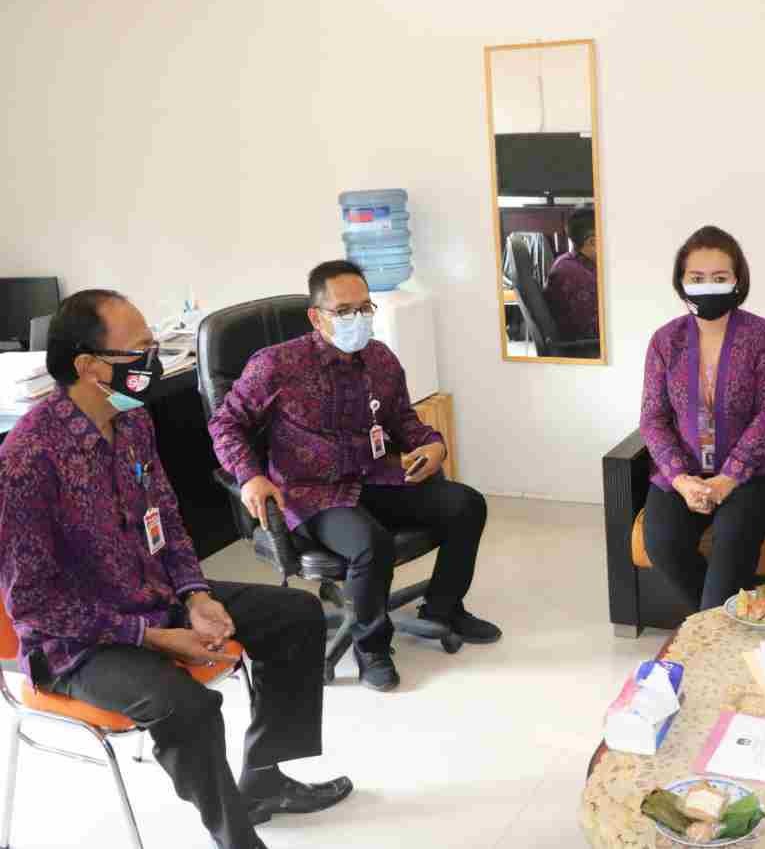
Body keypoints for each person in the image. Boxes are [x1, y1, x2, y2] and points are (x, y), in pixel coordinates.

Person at [0, 290, 352, 849]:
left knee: (296, 615)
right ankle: (236, 838)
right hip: (78, 643)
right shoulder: (27, 459)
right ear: (89, 366)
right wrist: (153, 636)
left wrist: (195, 595)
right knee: (187, 706)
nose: (153, 360)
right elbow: (35, 604)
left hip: (155, 596)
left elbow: (164, 516)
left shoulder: (132, 421)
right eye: (139, 350)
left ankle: (264, 781)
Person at [208, 260, 499, 693]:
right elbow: (225, 423)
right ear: (316, 316)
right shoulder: (275, 365)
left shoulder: (380, 359)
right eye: (344, 311)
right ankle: (372, 648)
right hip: (311, 492)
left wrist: (433, 445)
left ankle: (443, 608)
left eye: (364, 308)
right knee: (369, 543)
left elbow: (404, 420)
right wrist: (249, 476)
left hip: (375, 475)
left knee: (466, 505)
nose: (357, 319)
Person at [640, 225, 765, 611]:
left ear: (737, 280)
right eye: (697, 278)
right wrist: (681, 480)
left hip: (756, 474)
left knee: (731, 543)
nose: (708, 286)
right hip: (685, 472)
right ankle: (737, 617)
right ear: (681, 282)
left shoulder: (763, 336)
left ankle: (717, 622)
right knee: (662, 542)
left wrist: (729, 478)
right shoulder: (665, 341)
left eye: (719, 277)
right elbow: (653, 419)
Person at [544, 206, 599, 341]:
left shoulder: (567, 261)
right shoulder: (578, 277)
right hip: (587, 348)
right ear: (592, 242)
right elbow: (595, 330)